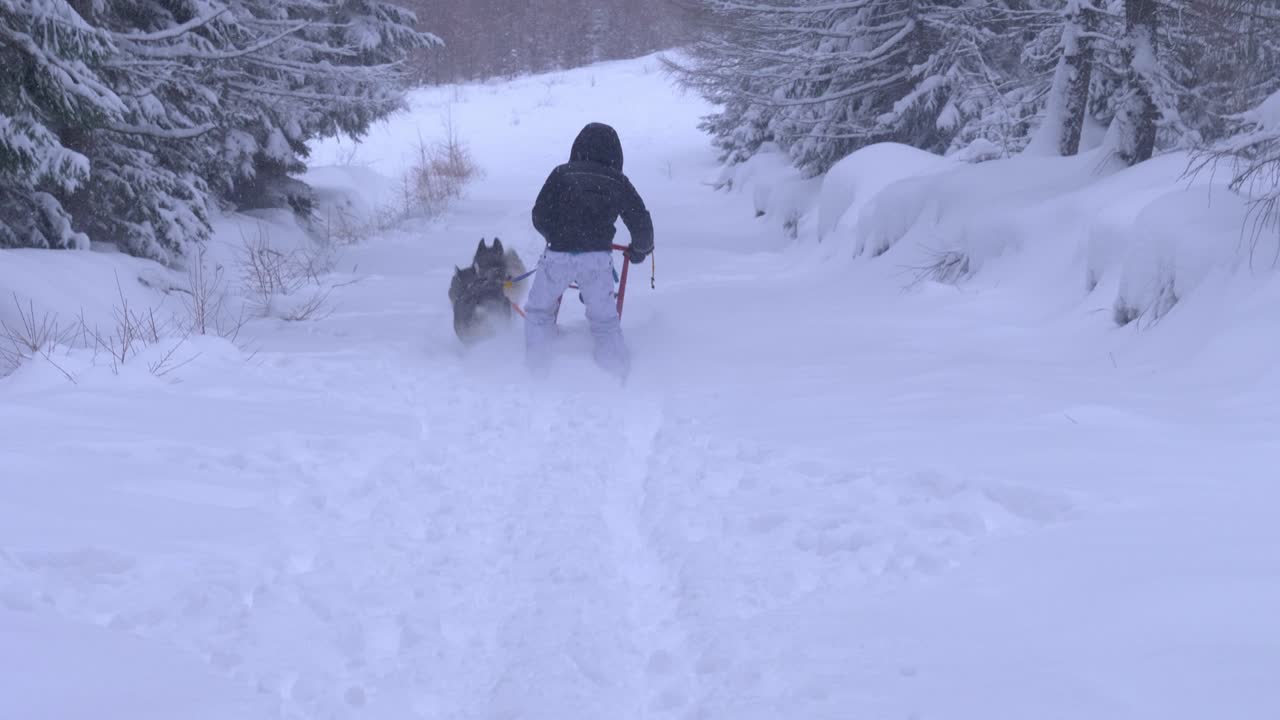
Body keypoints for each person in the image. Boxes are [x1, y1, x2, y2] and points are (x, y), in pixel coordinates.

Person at [526, 122, 654, 379]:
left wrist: (556, 236)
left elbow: (539, 213)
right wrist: (640, 250)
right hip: (596, 259)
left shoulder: (561, 174)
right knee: (605, 322)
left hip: (558, 256)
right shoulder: (618, 181)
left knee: (539, 312)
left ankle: (536, 368)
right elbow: (640, 222)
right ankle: (618, 374)